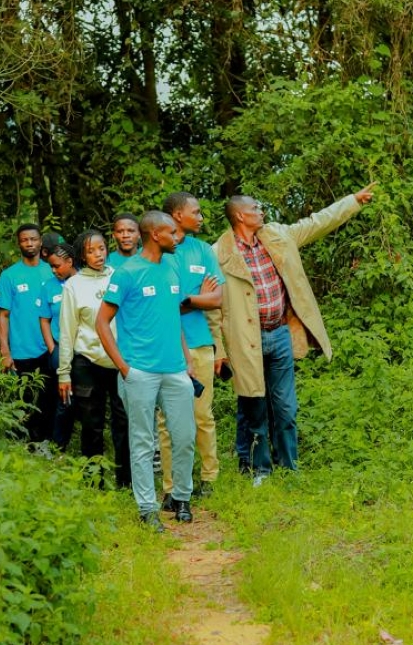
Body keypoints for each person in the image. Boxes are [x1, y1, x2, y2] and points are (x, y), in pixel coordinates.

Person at [213, 183, 376, 485]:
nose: (260, 211)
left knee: (286, 408)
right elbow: (212, 310)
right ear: (239, 216)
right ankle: (260, 470)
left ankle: (290, 468)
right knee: (255, 408)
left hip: (280, 335)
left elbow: (316, 223)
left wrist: (353, 201)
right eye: (254, 209)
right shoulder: (218, 254)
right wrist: (219, 351)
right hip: (245, 343)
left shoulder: (277, 235)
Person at [96, 211, 196, 532]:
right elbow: (102, 322)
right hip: (140, 372)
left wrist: (187, 359)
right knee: (142, 441)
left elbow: (173, 317)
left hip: (176, 370)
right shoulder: (127, 274)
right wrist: (125, 368)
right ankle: (147, 508)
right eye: (172, 233)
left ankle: (180, 498)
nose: (177, 237)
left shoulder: (172, 268)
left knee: (184, 437)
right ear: (155, 235)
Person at [157, 192, 223, 506]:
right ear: (176, 215)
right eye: (195, 212)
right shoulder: (159, 253)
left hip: (199, 344)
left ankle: (209, 478)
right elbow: (158, 305)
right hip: (165, 348)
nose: (201, 217)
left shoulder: (203, 251)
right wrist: (196, 299)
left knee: (202, 415)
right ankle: (171, 486)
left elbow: (218, 299)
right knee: (167, 423)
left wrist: (185, 301)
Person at [58, 231, 131, 487]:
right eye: (91, 251)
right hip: (87, 363)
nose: (98, 254)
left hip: (121, 363)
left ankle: (126, 482)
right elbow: (67, 331)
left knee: (124, 422)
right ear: (82, 255)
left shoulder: (119, 277)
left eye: (101, 248)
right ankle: (93, 482)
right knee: (92, 424)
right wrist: (63, 372)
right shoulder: (73, 286)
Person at [0, 223, 57, 445]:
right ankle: (25, 442)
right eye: (24, 240)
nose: (29, 243)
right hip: (21, 349)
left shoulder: (53, 270)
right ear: (19, 244)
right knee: (25, 399)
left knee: (50, 398)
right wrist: (4, 350)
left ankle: (45, 442)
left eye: (33, 239)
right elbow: (3, 315)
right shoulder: (10, 275)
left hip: (50, 347)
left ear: (41, 242)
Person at [40, 241, 77, 451]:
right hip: (59, 349)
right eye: (51, 267)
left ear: (70, 262)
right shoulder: (48, 286)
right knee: (62, 398)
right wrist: (52, 348)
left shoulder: (83, 281)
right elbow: (44, 319)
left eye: (57, 266)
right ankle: (57, 445)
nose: (54, 271)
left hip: (82, 350)